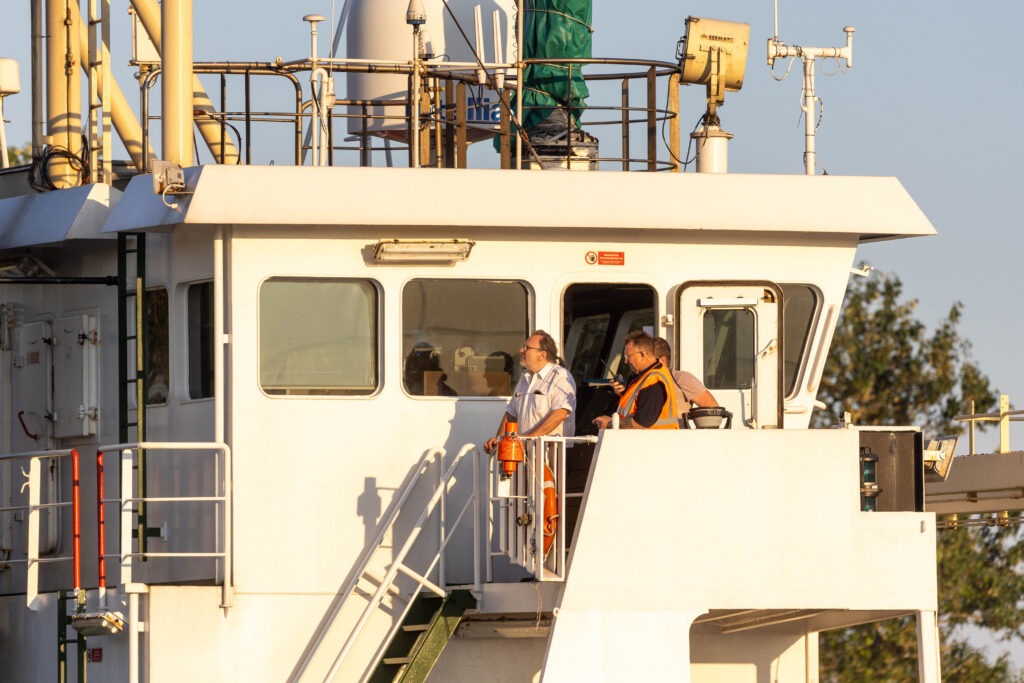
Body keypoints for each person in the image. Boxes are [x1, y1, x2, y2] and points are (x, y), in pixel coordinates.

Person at [484, 330, 576, 452]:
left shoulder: (560, 376)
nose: (521, 350)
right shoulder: (525, 377)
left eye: (526, 348)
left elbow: (560, 413)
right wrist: (500, 440)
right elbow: (511, 414)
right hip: (525, 450)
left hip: (553, 454)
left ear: (542, 355)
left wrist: (530, 438)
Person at [592, 331, 678, 430]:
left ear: (642, 354)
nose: (626, 361)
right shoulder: (644, 377)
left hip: (653, 443)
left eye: (628, 356)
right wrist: (624, 393)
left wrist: (610, 423)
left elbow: (641, 423)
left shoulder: (654, 381)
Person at [652, 336, 718, 416]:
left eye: (647, 359)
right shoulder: (638, 382)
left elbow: (713, 410)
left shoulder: (681, 378)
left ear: (662, 361)